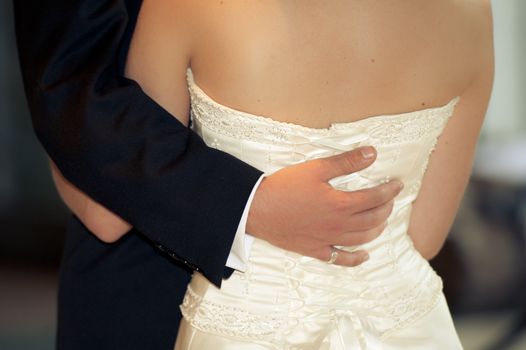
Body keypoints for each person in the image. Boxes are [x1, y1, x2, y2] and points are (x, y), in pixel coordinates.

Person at [46, 0, 494, 348]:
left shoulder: (186, 7)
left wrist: (56, 130)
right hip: (406, 326)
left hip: (241, 330)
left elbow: (111, 212)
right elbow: (426, 236)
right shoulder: (471, 12)